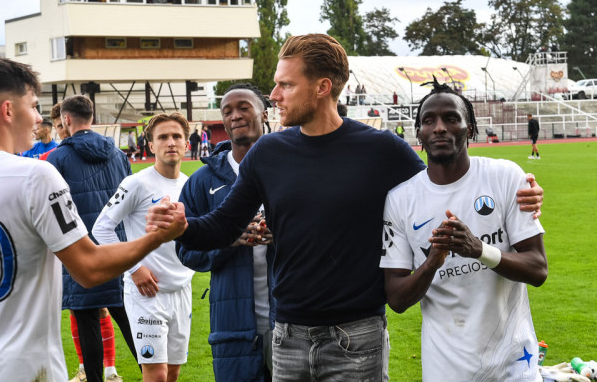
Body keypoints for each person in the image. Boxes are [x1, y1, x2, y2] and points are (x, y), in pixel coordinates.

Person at [147, 34, 544, 381]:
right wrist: (181, 226)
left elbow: (438, 189)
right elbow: (222, 225)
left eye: (285, 85)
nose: (275, 95)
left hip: (359, 337)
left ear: (321, 87)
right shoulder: (268, 153)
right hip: (287, 337)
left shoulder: (380, 150)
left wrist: (523, 192)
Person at [0, 57, 185, 381]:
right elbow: (89, 268)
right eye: (33, 106)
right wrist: (157, 236)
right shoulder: (35, 175)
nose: (37, 117)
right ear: (7, 110)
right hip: (18, 369)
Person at [381, 80, 547, 381]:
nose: (440, 127)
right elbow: (396, 298)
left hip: (513, 368)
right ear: (419, 133)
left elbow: (538, 269)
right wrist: (433, 261)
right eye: (428, 120)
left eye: (451, 118)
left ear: (469, 128)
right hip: (446, 370)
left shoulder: (506, 177)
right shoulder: (400, 200)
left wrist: (480, 250)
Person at [176, 83, 275, 381]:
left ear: (264, 113)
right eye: (227, 111)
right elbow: (185, 250)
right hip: (231, 324)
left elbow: (320, 233)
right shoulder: (201, 181)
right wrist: (227, 240)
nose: (235, 116)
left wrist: (280, 234)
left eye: (244, 107)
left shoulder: (291, 168)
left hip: (291, 318)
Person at [93, 113, 194, 382]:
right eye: (162, 137)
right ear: (151, 146)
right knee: (156, 374)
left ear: (187, 144)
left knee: (172, 373)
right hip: (146, 293)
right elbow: (101, 228)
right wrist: (134, 269)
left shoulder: (189, 185)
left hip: (181, 289)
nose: (170, 142)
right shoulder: (136, 183)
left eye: (176, 137)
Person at [46, 95, 134, 382]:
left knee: (87, 324)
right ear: (92, 118)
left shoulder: (57, 158)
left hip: (79, 253)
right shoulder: (119, 155)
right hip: (118, 250)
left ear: (66, 120)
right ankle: (157, 375)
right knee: (131, 322)